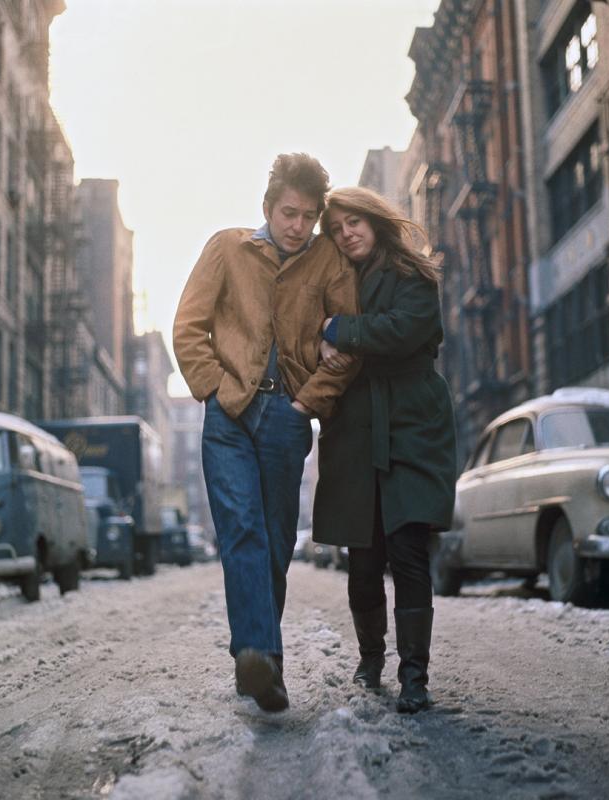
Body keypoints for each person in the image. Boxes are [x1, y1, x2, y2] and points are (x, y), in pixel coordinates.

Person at [172, 154, 359, 713]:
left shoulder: (327, 261)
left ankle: (262, 663)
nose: (297, 225)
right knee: (242, 530)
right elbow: (189, 327)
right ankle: (255, 653)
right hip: (228, 416)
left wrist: (308, 403)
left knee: (276, 542)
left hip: (287, 416)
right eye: (288, 213)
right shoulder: (227, 248)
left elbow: (346, 345)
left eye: (307, 216)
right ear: (268, 208)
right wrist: (214, 390)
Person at [313, 186, 457, 714]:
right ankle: (370, 659)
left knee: (408, 550)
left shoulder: (414, 275)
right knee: (363, 556)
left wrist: (337, 330)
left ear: (375, 221)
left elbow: (401, 331)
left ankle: (415, 676)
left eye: (355, 222)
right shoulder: (333, 280)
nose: (347, 233)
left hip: (411, 422)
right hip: (354, 426)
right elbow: (309, 333)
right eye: (336, 228)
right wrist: (323, 337)